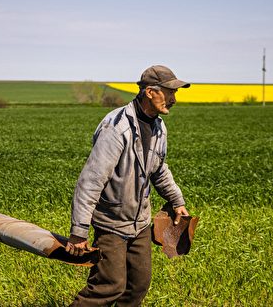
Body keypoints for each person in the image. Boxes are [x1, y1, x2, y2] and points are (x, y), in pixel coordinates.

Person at [66, 65, 191, 306]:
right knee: (109, 286)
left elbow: (158, 168)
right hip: (112, 222)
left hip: (140, 223)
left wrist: (177, 202)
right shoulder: (117, 127)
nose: (174, 99)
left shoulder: (158, 127)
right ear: (150, 92)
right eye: (169, 92)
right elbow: (91, 181)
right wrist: (78, 231)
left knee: (138, 285)